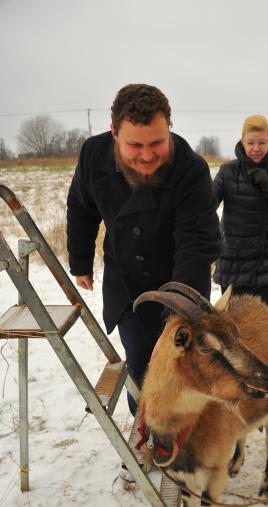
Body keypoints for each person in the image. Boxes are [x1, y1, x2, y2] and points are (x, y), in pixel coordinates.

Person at [67, 83, 221, 425]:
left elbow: (196, 244)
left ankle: (186, 433)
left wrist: (181, 313)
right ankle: (147, 433)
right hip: (126, 280)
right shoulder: (93, 155)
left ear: (169, 127)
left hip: (177, 281)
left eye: (157, 142)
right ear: (113, 133)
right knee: (140, 364)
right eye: (135, 145)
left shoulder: (191, 170)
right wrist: (80, 260)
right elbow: (81, 206)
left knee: (182, 364)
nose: (148, 155)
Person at [213, 114, 268, 312]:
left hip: (265, 268)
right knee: (231, 332)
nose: (256, 148)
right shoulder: (228, 171)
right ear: (242, 141)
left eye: (261, 142)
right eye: (251, 142)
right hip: (232, 265)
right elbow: (207, 203)